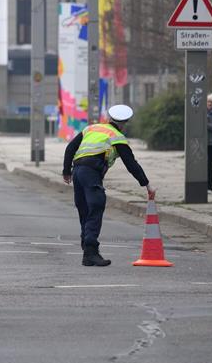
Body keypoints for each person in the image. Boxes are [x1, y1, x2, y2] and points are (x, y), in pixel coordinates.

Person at [62, 104, 156, 267]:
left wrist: (66, 171)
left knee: (84, 210)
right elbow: (131, 163)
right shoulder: (117, 136)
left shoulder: (91, 128)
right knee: (96, 206)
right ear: (123, 123)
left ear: (108, 118)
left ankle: (88, 252)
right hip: (91, 172)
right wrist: (146, 184)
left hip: (77, 171)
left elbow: (70, 148)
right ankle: (90, 250)